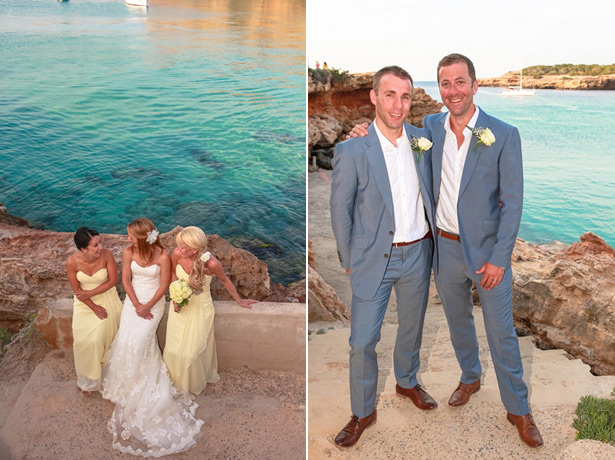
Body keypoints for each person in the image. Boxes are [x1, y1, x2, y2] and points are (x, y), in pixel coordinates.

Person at [423, 53, 542, 447]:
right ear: (438, 88)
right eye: (445, 83)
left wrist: (499, 258)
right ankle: (470, 377)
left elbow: (513, 202)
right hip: (446, 249)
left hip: (489, 255)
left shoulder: (504, 134)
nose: (452, 90)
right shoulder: (430, 127)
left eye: (460, 82)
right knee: (458, 323)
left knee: (501, 333)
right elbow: (393, 139)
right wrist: (361, 134)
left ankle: (519, 409)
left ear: (475, 86)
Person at [329, 65, 437, 448]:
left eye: (405, 96)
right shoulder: (352, 148)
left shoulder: (424, 140)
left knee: (411, 327)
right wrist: (348, 257)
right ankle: (362, 412)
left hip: (418, 254)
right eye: (389, 95)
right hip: (374, 259)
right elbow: (340, 211)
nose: (398, 104)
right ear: (374, 97)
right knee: (362, 341)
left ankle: (407, 382)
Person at [101, 218, 203, 456]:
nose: (127, 239)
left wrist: (148, 306)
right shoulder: (128, 252)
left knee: (141, 340)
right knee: (127, 339)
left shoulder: (161, 256)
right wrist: (136, 304)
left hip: (154, 304)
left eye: (130, 235)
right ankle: (127, 382)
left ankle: (146, 382)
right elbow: (125, 279)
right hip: (133, 302)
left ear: (141, 237)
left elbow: (165, 284)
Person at [163, 226, 257, 399]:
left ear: (195, 249)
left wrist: (240, 300)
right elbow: (172, 275)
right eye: (179, 245)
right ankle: (174, 381)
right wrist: (176, 297)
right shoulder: (176, 254)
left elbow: (225, 280)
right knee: (173, 349)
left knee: (191, 351)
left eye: (183, 247)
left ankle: (191, 382)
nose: (179, 249)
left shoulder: (211, 263)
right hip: (179, 307)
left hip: (200, 308)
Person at [66, 227, 122, 397]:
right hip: (85, 304)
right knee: (82, 342)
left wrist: (91, 295)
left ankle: (104, 373)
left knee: (97, 340)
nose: (100, 247)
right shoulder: (72, 263)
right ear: (83, 249)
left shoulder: (107, 255)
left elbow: (113, 281)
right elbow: (77, 290)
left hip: (106, 298)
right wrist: (93, 306)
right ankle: (88, 380)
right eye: (95, 245)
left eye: (100, 243)